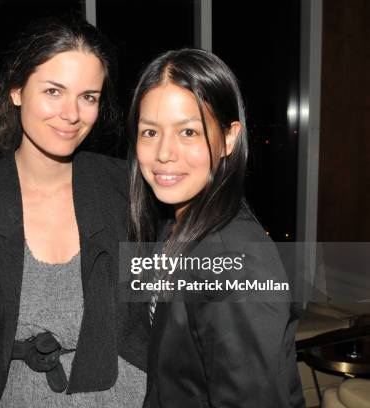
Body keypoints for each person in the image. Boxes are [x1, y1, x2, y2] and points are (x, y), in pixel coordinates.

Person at [0, 17, 145, 408]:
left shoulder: (127, 188)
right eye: (54, 91)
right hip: (21, 396)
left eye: (88, 96)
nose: (71, 114)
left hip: (133, 394)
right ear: (17, 90)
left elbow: (201, 279)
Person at [127, 49, 304, 407]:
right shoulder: (174, 230)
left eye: (188, 132)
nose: (164, 153)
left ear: (228, 138)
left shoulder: (232, 261)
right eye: (150, 132)